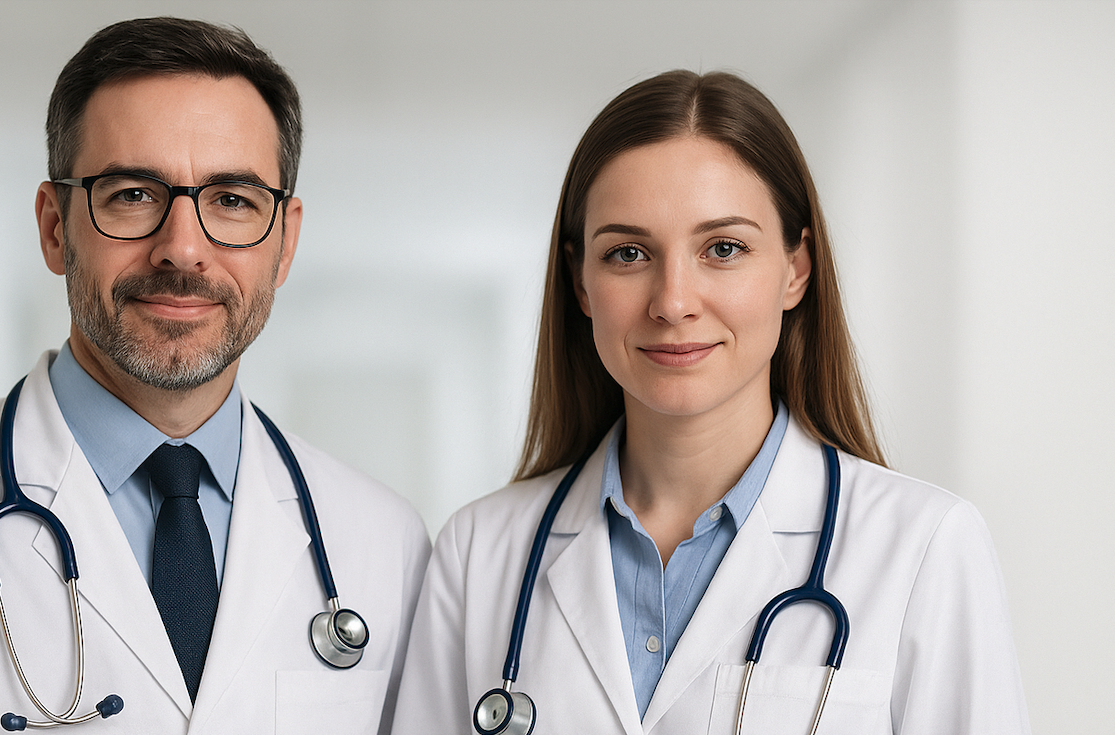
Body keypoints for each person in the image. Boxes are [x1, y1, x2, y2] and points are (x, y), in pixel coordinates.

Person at [0, 17, 430, 735]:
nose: (183, 249)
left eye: (232, 200)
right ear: (54, 226)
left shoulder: (383, 543)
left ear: (285, 240)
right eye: (133, 194)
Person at [391, 70, 1028, 734]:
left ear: (795, 268)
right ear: (580, 282)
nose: (672, 301)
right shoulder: (479, 553)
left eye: (723, 248)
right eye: (628, 253)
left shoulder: (924, 546)